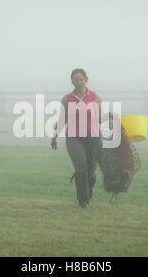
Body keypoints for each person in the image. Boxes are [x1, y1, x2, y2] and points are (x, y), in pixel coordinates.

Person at [51, 68, 104, 209]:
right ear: (72, 82)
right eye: (76, 80)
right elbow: (62, 120)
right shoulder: (67, 99)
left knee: (91, 173)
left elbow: (100, 119)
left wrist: (111, 119)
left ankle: (88, 192)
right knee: (81, 167)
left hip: (93, 137)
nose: (79, 82)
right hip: (74, 138)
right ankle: (82, 201)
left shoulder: (95, 97)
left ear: (86, 80)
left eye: (81, 79)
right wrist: (54, 136)